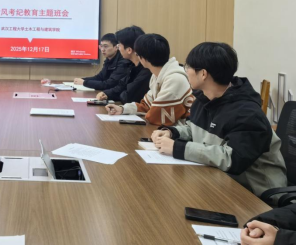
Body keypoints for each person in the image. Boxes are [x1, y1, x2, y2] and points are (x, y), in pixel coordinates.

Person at [152, 42, 287, 198]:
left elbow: (232, 159)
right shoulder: (203, 99)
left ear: (203, 74)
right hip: (218, 180)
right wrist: (172, 133)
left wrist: (178, 148)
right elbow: (193, 128)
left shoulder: (247, 114)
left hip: (256, 194)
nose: (186, 71)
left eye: (188, 67)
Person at [106, 34, 193, 126]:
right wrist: (123, 109)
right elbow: (146, 105)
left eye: (137, 54)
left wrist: (148, 112)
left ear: (143, 58)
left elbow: (156, 117)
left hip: (181, 131)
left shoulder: (175, 79)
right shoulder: (157, 75)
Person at [96, 26, 151, 104]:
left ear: (129, 50)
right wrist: (107, 93)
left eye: (119, 45)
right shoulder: (131, 65)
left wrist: (119, 93)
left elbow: (128, 97)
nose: (118, 48)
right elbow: (120, 86)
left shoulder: (146, 70)